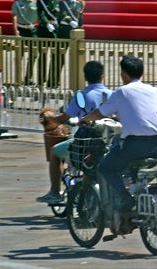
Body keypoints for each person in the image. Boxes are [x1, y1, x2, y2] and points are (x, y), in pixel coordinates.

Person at [80, 56, 157, 212]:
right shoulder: (155, 91)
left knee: (106, 168)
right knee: (131, 169)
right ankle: (138, 202)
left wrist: (84, 119)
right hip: (156, 144)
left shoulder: (122, 92)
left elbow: (100, 113)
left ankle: (125, 200)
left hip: (133, 145)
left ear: (124, 74)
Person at [36, 61, 112, 204]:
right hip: (108, 142)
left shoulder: (81, 96)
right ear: (103, 76)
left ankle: (55, 192)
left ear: (85, 77)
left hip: (87, 143)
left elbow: (65, 118)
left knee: (55, 152)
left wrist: (51, 118)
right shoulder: (112, 94)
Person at [51, 0, 85, 88]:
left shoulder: (80, 3)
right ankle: (53, 81)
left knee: (77, 58)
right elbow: (63, 14)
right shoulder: (62, 2)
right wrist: (70, 21)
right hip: (64, 31)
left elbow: (80, 17)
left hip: (76, 33)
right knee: (59, 57)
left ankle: (77, 82)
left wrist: (80, 26)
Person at [12, 0, 39, 85]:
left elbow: (39, 17)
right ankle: (18, 79)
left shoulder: (35, 2)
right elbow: (14, 17)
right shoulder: (17, 3)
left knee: (34, 54)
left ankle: (28, 78)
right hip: (21, 30)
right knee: (19, 55)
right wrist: (16, 31)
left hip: (32, 31)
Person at [37, 0, 62, 87]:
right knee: (43, 56)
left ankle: (53, 81)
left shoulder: (59, 1)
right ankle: (41, 80)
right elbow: (41, 15)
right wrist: (47, 23)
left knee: (56, 56)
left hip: (55, 31)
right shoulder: (41, 1)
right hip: (43, 30)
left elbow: (61, 15)